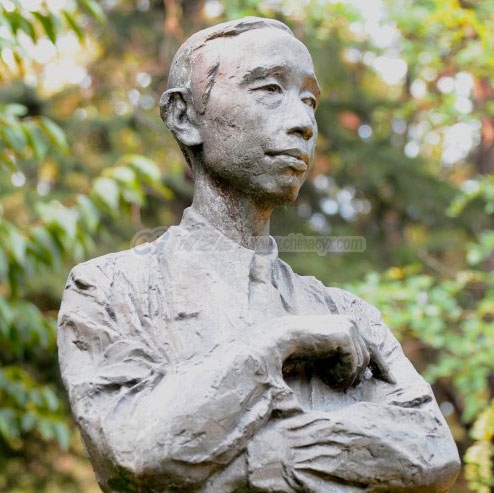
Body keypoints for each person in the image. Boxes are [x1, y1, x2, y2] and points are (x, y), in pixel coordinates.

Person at [58, 17, 460, 492]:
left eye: (310, 101)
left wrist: (262, 457)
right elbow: (137, 451)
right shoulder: (109, 290)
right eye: (270, 89)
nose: (304, 123)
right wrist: (280, 341)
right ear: (185, 117)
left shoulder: (349, 313)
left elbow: (433, 452)